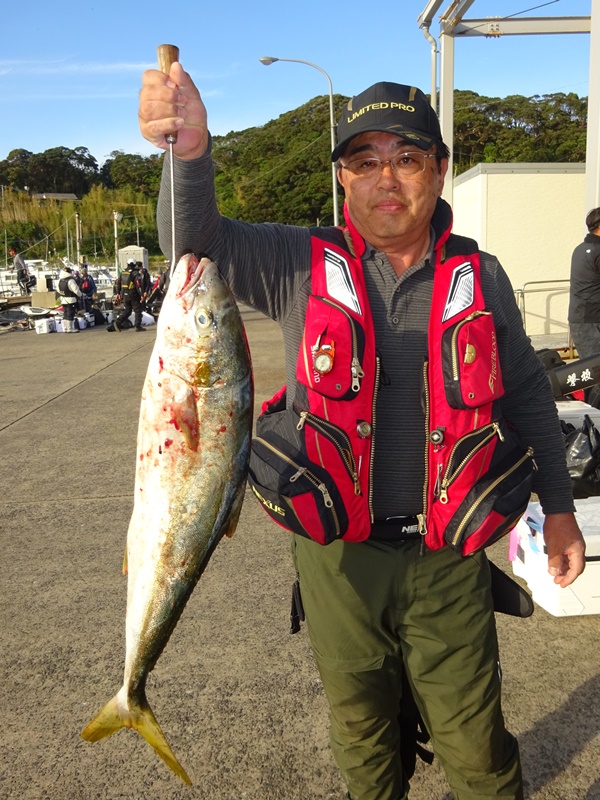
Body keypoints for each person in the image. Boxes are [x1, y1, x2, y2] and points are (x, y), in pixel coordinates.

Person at [139, 65, 586, 800]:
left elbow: (532, 398)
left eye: (407, 158)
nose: (387, 178)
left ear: (439, 170)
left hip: (450, 555)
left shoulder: (482, 275)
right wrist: (188, 153)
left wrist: (561, 510)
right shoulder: (296, 262)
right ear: (342, 176)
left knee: (478, 747)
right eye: (365, 160)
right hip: (338, 558)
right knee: (362, 736)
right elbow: (192, 241)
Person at [568, 207, 600, 359]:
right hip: (592, 322)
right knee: (595, 368)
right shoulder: (597, 251)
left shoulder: (580, 248)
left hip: (581, 320)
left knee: (591, 366)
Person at [107, 259, 145, 331]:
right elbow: (138, 285)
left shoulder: (123, 272)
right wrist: (141, 295)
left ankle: (117, 322)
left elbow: (118, 283)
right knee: (137, 310)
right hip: (133, 294)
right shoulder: (135, 273)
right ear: (134, 265)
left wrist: (118, 293)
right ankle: (137, 326)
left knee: (127, 310)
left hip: (124, 294)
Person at [58, 266, 83, 333]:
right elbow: (76, 290)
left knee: (65, 314)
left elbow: (58, 289)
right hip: (71, 299)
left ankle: (65, 328)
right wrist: (80, 295)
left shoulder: (60, 280)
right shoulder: (70, 280)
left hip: (63, 299)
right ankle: (70, 328)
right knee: (70, 314)